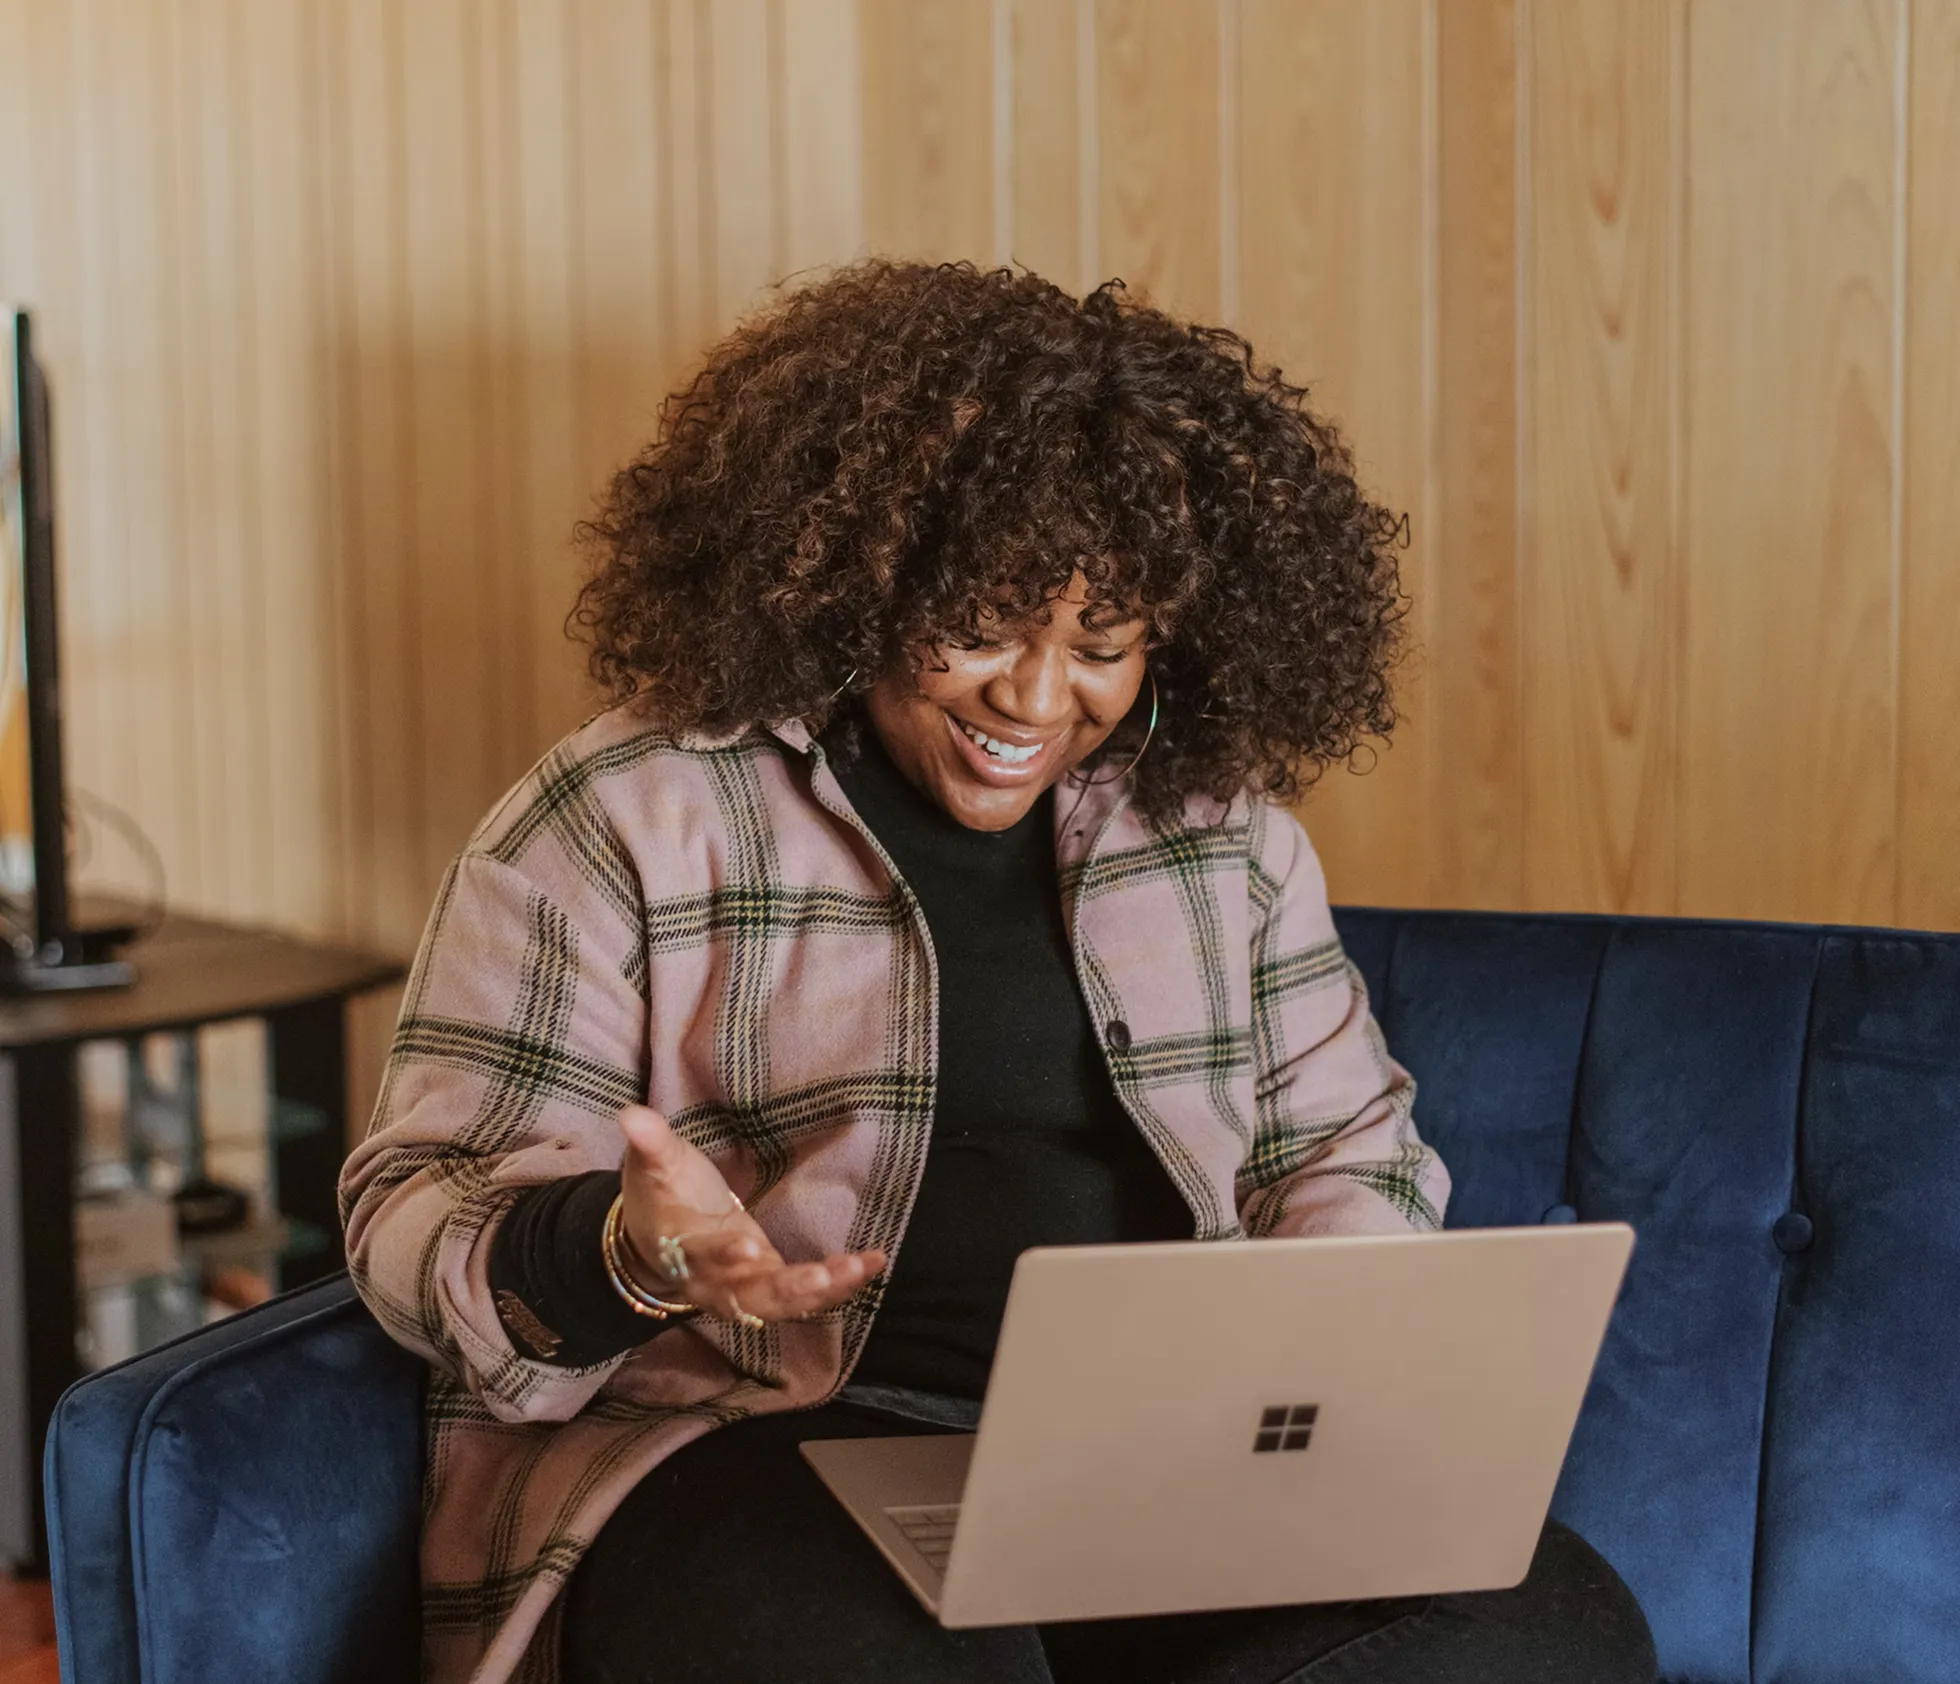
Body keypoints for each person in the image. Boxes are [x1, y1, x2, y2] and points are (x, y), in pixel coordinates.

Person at [340, 259, 1655, 1684]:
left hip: (1157, 1463)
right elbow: (413, 1211)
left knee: (1551, 1632)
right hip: (755, 1446)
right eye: (979, 626)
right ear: (859, 581)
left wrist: (1309, 1367)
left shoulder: (1228, 840)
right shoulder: (629, 814)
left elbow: (1348, 1156)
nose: (1035, 700)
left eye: (1101, 645)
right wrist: (626, 1248)